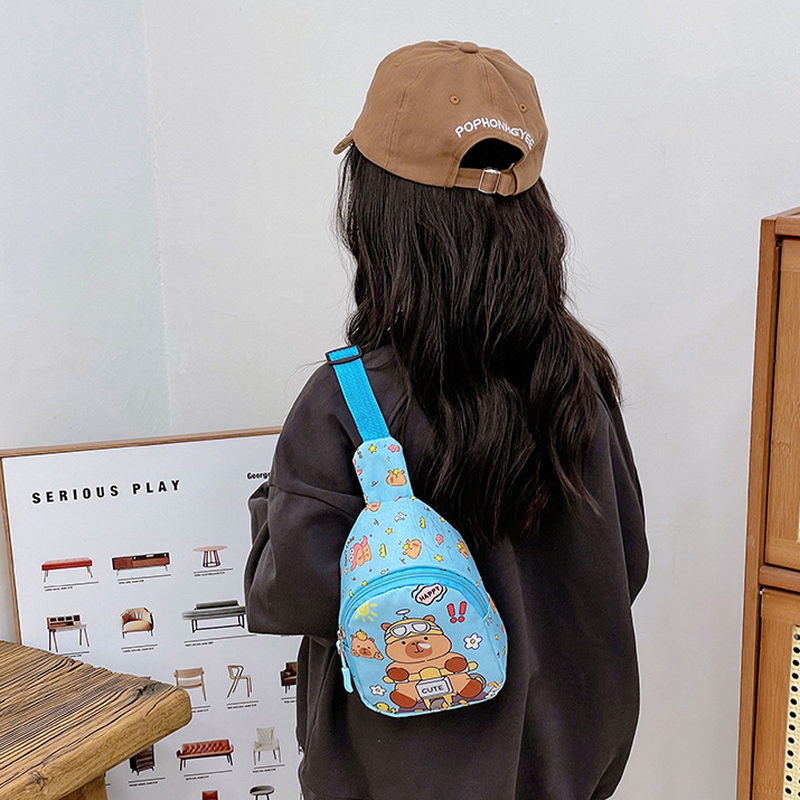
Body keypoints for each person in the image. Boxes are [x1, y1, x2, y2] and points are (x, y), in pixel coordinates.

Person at [245, 40, 648, 800]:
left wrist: (272, 509)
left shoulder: (348, 400)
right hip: (565, 766)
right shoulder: (578, 378)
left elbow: (291, 592)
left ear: (376, 211)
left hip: (396, 774)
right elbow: (626, 564)